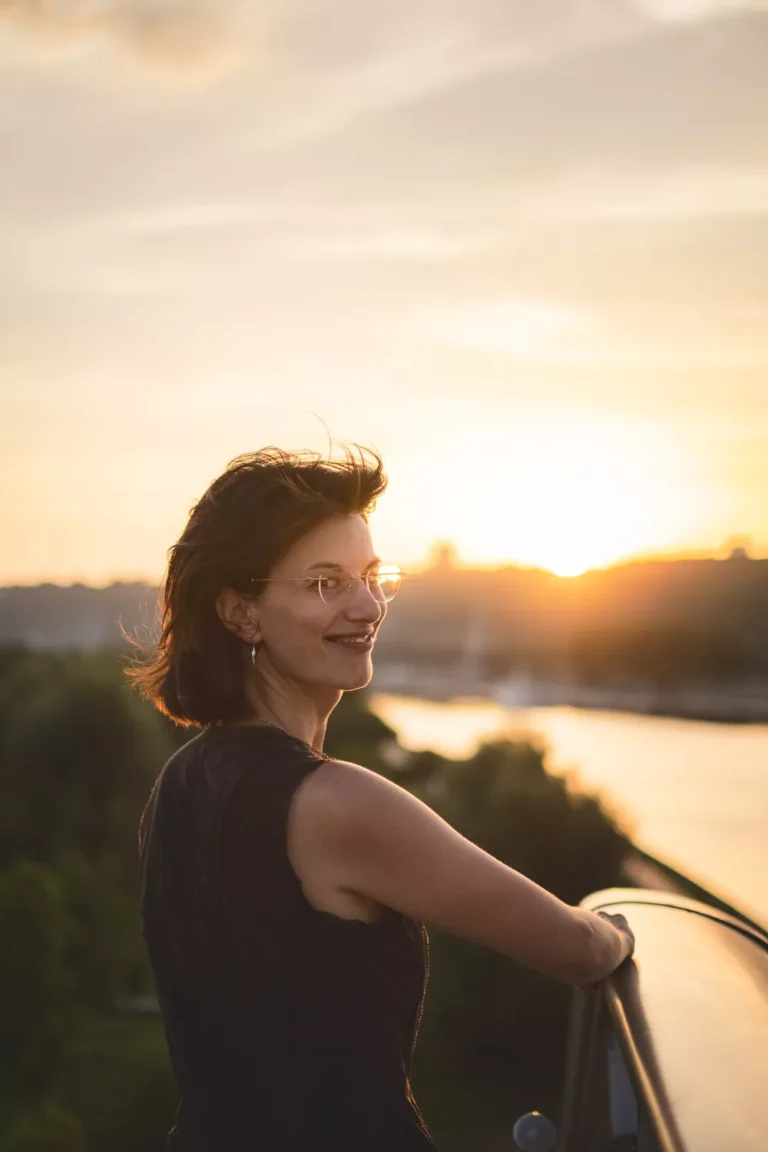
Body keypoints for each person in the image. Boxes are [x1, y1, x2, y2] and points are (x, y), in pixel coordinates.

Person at [130, 445, 635, 1152]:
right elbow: (579, 949)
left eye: (372, 577)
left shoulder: (179, 781)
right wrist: (627, 930)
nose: (367, 606)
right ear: (242, 612)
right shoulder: (337, 804)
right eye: (324, 583)